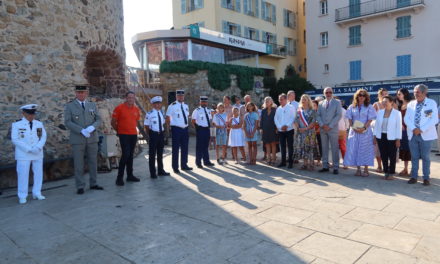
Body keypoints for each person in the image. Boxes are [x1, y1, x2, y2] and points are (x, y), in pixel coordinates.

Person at [64, 85, 103, 194]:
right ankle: (80, 186)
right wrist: (80, 130)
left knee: (93, 162)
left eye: (83, 92)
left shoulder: (92, 105)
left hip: (92, 138)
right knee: (78, 164)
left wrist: (92, 127)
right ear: (76, 93)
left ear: (86, 93)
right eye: (79, 92)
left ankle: (94, 183)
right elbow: (67, 122)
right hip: (78, 139)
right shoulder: (70, 106)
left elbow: (98, 119)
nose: (81, 94)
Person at [11, 104, 47, 204]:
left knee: (38, 173)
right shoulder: (17, 125)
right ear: (23, 113)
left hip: (37, 152)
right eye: (29, 114)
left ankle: (37, 192)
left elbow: (43, 137)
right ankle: (22, 195)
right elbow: (15, 139)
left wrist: (38, 147)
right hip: (24, 154)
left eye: (33, 114)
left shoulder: (38, 124)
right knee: (23, 174)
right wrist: (29, 149)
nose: (31, 116)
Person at [405, 84, 439, 186]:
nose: (415, 94)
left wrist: (421, 129)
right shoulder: (411, 104)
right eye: (414, 92)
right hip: (413, 134)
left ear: (424, 93)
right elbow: (406, 118)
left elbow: (434, 119)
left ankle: (426, 178)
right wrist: (414, 129)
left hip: (426, 135)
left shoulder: (431, 103)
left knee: (425, 157)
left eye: (417, 92)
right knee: (414, 157)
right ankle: (414, 176)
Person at [343, 89, 377, 177]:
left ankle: (366, 169)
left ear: (366, 97)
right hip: (354, 131)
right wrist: (353, 128)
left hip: (366, 132)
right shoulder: (351, 107)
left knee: (365, 150)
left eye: (363, 95)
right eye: (360, 95)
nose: (361, 97)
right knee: (355, 149)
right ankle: (358, 169)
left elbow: (370, 119)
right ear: (356, 96)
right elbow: (349, 119)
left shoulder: (369, 106)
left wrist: (364, 128)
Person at [111, 91, 141, 186]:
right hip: (123, 135)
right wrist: (119, 131)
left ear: (134, 98)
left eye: (132, 97)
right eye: (129, 97)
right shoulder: (119, 108)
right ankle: (119, 178)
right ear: (126, 98)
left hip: (133, 134)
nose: (131, 99)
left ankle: (130, 175)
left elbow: (135, 121)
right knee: (125, 155)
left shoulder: (136, 109)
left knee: (130, 155)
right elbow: (113, 122)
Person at [373, 96, 402, 180]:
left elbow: (398, 127)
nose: (384, 103)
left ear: (391, 102)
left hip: (392, 138)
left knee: (392, 156)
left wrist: (398, 139)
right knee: (383, 155)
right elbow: (376, 126)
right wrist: (374, 137)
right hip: (381, 136)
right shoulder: (380, 112)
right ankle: (386, 172)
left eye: (386, 101)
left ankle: (391, 173)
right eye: (383, 101)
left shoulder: (397, 113)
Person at [166, 90, 192, 174]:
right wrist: (168, 129)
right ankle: (175, 167)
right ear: (176, 96)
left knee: (185, 148)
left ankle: (184, 165)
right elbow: (167, 118)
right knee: (175, 149)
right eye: (179, 96)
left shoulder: (186, 106)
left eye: (182, 96)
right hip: (176, 129)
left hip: (185, 129)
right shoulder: (172, 106)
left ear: (183, 96)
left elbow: (187, 116)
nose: (181, 97)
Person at [317, 87, 342, 175]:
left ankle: (335, 167)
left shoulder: (337, 102)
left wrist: (330, 126)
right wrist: (322, 125)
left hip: (333, 129)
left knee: (335, 148)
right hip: (323, 128)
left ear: (332, 93)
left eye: (330, 92)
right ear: (324, 93)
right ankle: (325, 166)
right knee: (324, 147)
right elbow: (318, 115)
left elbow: (338, 115)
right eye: (326, 92)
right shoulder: (320, 103)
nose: (328, 94)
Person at [144, 96, 170, 179]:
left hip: (160, 134)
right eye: (156, 104)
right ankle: (153, 173)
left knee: (160, 153)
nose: (157, 105)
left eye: (159, 103)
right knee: (152, 155)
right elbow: (146, 126)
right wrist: (151, 134)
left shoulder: (161, 113)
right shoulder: (149, 113)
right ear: (153, 104)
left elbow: (163, 122)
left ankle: (160, 171)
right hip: (153, 135)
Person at [293, 95, 320, 171]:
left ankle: (311, 164)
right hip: (301, 133)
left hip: (310, 133)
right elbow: (295, 121)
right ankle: (305, 164)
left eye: (304, 99)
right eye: (302, 99)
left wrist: (305, 128)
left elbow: (313, 122)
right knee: (303, 148)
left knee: (310, 148)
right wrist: (298, 128)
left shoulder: (312, 111)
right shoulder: (299, 111)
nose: (303, 101)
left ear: (308, 101)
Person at [192, 96, 215, 169]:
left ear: (207, 102)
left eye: (205, 102)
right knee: (199, 147)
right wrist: (197, 129)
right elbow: (193, 120)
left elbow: (210, 120)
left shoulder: (209, 110)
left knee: (206, 146)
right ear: (200, 102)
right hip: (200, 129)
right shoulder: (197, 110)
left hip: (207, 129)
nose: (204, 103)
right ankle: (198, 162)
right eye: (202, 101)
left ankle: (206, 161)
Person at [274, 93, 296, 168]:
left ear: (286, 99)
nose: (280, 101)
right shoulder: (278, 109)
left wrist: (287, 125)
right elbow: (275, 119)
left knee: (290, 147)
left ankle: (290, 162)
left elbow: (293, 117)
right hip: (281, 131)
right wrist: (280, 127)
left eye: (281, 99)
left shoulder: (291, 107)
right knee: (282, 147)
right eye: (279, 99)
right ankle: (283, 162)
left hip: (289, 130)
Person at [396, 88, 412, 175]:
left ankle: (412, 170)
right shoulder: (400, 105)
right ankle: (405, 169)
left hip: (409, 130)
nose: (398, 96)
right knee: (404, 150)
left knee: (411, 150)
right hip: (402, 131)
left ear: (405, 94)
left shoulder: (411, 104)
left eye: (399, 94)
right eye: (398, 94)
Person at [372, 88, 388, 173]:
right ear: (379, 95)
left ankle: (387, 166)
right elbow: (371, 117)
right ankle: (379, 166)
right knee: (378, 149)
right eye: (383, 94)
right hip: (378, 130)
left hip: (388, 130)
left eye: (386, 94)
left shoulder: (390, 104)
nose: (385, 95)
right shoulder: (376, 104)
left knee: (387, 149)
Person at [260, 96, 278, 165]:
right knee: (267, 144)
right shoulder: (263, 111)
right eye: (266, 101)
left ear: (271, 102)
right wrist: (261, 128)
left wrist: (277, 128)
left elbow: (277, 120)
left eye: (268, 101)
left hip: (273, 129)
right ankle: (268, 158)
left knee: (273, 144)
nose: (267, 102)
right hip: (265, 129)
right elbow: (262, 120)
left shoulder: (275, 110)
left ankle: (273, 159)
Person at [337, 99, 349, 169]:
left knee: (343, 147)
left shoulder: (344, 111)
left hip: (342, 130)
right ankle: (336, 163)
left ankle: (345, 162)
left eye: (339, 103)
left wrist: (346, 129)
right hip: (333, 131)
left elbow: (347, 121)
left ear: (341, 104)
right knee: (334, 148)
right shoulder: (332, 111)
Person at [312, 99, 322, 166]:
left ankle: (319, 160)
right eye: (312, 105)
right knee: (312, 147)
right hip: (311, 133)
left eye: (314, 105)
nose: (313, 107)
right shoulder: (310, 113)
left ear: (317, 106)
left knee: (320, 147)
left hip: (319, 133)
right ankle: (313, 160)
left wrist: (318, 129)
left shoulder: (320, 113)